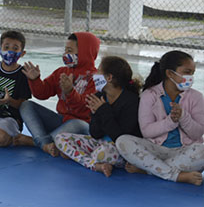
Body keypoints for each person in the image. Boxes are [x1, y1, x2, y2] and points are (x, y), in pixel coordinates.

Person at [115, 50, 204, 185]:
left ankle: (150, 170)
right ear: (169, 73)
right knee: (123, 141)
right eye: (187, 72)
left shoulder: (196, 97)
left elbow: (198, 133)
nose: (190, 77)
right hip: (156, 150)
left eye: (192, 73)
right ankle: (176, 175)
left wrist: (183, 117)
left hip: (185, 151)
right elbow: (146, 131)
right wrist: (170, 122)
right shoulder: (149, 95)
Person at [53, 56, 141, 177]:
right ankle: (96, 165)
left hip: (120, 149)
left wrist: (103, 110)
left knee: (101, 154)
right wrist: (95, 114)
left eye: (99, 71)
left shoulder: (130, 101)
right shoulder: (99, 96)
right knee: (60, 138)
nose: (95, 74)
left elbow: (121, 138)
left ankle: (90, 160)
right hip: (100, 143)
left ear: (109, 78)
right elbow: (95, 133)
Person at [19, 32, 101, 156]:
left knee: (77, 124)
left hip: (82, 126)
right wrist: (35, 80)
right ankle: (46, 143)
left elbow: (86, 109)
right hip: (61, 122)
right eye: (65, 50)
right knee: (26, 105)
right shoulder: (61, 72)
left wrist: (70, 92)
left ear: (85, 52)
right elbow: (42, 94)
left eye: (70, 50)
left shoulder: (96, 78)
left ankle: (36, 141)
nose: (65, 54)